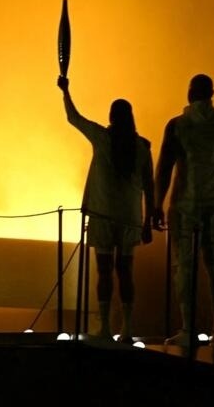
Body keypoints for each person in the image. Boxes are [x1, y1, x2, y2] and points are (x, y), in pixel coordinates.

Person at [153, 71, 214, 364]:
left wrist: (156, 204)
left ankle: (188, 327)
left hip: (186, 205)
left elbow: (165, 167)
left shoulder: (179, 125)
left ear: (189, 94)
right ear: (211, 95)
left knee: (184, 266)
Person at [57, 75, 156, 339]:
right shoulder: (142, 147)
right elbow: (149, 185)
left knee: (103, 271)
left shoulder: (102, 138)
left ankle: (105, 326)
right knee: (125, 272)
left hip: (103, 215)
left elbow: (74, 118)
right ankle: (128, 326)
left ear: (111, 117)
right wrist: (148, 222)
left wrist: (65, 91)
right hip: (129, 218)